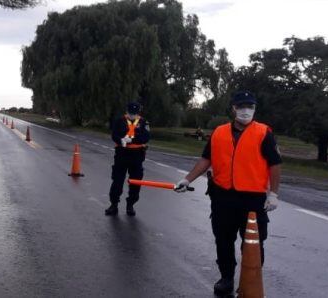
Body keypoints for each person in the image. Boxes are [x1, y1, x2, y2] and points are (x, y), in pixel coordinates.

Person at [174, 90, 282, 296]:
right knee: (223, 240)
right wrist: (187, 179)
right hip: (223, 196)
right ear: (233, 108)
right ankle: (227, 278)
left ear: (255, 109)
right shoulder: (219, 132)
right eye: (241, 106)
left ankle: (249, 281)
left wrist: (274, 194)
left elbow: (275, 165)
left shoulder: (263, 133)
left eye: (250, 107)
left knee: (254, 244)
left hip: (253, 199)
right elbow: (206, 159)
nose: (246, 111)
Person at [105, 101, 150, 216]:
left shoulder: (144, 122)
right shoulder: (119, 121)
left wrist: (133, 140)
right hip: (122, 154)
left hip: (137, 156)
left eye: (135, 113)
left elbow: (146, 137)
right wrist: (121, 140)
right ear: (126, 111)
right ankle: (113, 205)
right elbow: (114, 135)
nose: (132, 115)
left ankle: (130, 205)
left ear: (138, 112)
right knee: (117, 180)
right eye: (130, 112)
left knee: (136, 181)